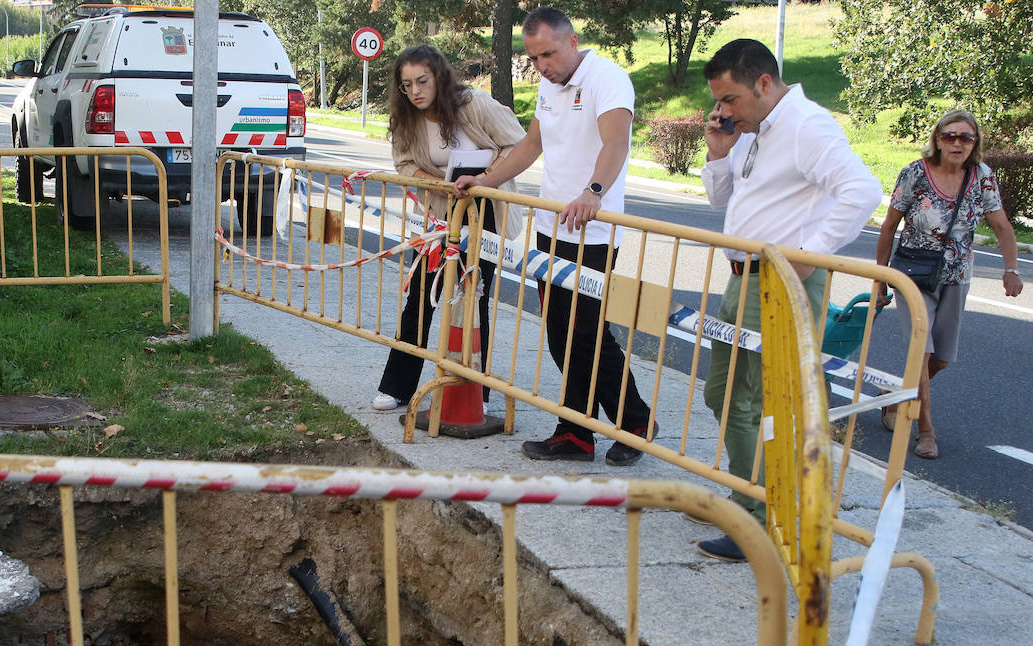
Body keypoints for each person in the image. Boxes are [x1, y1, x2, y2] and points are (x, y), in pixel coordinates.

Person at [696, 38, 882, 561]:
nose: (723, 111)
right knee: (724, 395)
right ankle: (750, 499)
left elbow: (863, 191)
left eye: (730, 100)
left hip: (778, 281)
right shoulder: (759, 130)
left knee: (748, 402)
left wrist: (810, 254)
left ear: (762, 83)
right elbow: (726, 200)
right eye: (719, 102)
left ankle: (758, 516)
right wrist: (718, 154)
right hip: (743, 279)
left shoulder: (805, 124)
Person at [455, 6, 654, 465]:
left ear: (571, 41)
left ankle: (629, 423)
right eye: (534, 58)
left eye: (547, 54)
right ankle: (584, 430)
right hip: (551, 226)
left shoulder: (608, 78)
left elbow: (616, 143)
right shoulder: (549, 85)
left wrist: (593, 192)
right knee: (562, 333)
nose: (542, 65)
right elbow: (530, 146)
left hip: (592, 229)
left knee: (585, 331)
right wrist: (485, 179)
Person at [372, 45, 526, 414]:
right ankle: (397, 387)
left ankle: (477, 392)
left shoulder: (474, 105)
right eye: (406, 84)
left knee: (475, 300)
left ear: (440, 76)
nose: (415, 91)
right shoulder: (406, 117)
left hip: (482, 210)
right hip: (439, 213)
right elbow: (403, 163)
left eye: (422, 81)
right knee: (421, 297)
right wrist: (438, 183)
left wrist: (486, 179)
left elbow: (518, 142)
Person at [876, 110, 1024, 460]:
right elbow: (888, 226)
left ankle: (897, 394)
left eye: (966, 137)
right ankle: (926, 430)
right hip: (912, 275)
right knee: (922, 349)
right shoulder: (915, 173)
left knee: (942, 357)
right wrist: (881, 277)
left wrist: (1011, 268)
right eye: (950, 136)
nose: (957, 143)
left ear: (975, 143)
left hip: (957, 275)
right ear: (938, 139)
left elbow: (1001, 225)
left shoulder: (982, 176)